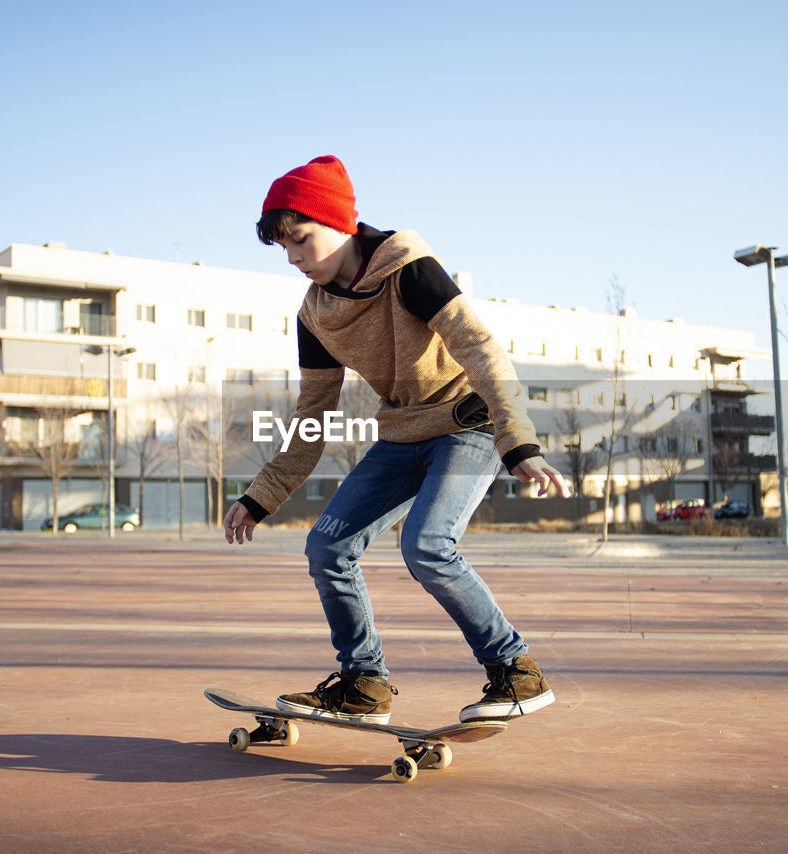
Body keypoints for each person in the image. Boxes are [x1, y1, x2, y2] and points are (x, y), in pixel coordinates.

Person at [223, 155, 571, 724]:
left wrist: (519, 444)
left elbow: (481, 350)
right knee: (327, 548)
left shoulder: (410, 267)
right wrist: (261, 495)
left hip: (468, 425)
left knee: (428, 545)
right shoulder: (314, 315)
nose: (293, 260)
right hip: (403, 434)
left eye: (301, 241)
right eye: (283, 249)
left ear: (338, 224)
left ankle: (515, 672)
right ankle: (364, 685)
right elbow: (313, 412)